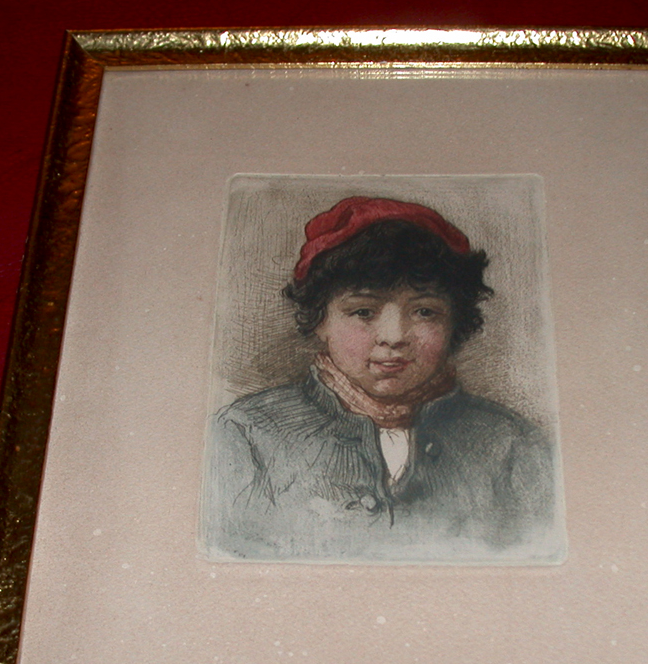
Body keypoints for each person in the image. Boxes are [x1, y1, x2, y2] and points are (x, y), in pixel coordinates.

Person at [201, 196, 561, 562]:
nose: (394, 336)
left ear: (455, 321)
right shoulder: (244, 435)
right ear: (320, 320)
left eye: (424, 311)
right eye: (363, 311)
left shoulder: (515, 447)